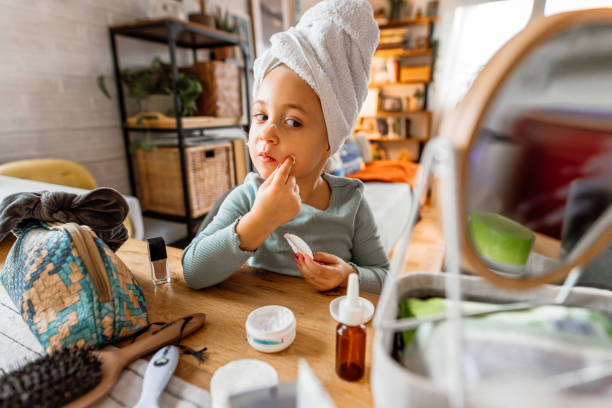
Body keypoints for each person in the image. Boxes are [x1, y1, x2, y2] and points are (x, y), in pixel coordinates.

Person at [182, 0, 389, 293]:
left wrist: (349, 275)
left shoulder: (350, 204)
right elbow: (193, 271)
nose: (267, 132)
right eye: (261, 116)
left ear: (330, 141)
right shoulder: (248, 198)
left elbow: (385, 277)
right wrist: (260, 219)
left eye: (292, 122)